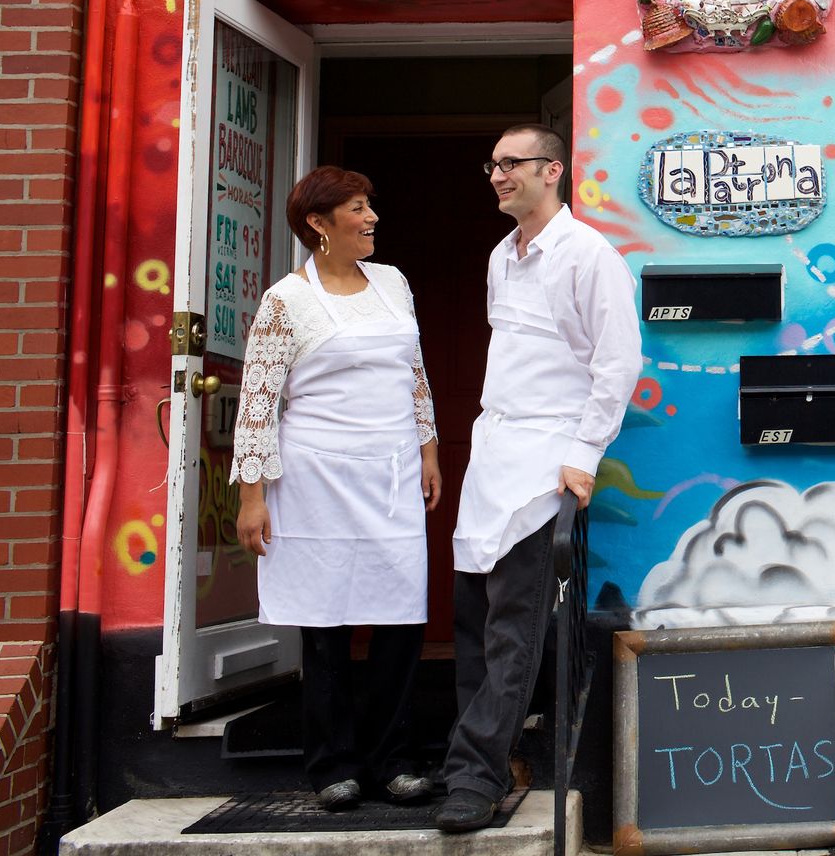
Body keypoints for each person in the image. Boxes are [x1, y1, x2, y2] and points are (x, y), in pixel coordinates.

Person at [435, 124, 642, 833]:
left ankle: (475, 775)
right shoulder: (503, 256)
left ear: (552, 170)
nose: (497, 175)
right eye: (491, 164)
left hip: (545, 464)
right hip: (493, 456)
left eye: (511, 164)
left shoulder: (588, 256)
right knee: (475, 621)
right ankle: (488, 762)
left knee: (516, 629)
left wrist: (583, 455)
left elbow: (618, 364)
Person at [231, 166, 441, 811]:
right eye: (357, 207)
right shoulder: (285, 300)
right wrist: (252, 495)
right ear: (319, 224)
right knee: (324, 624)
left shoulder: (393, 283)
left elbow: (414, 373)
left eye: (370, 204)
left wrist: (429, 450)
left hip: (393, 472)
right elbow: (259, 401)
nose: (372, 217)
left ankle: (394, 760)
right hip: (315, 475)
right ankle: (332, 766)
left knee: (399, 619)